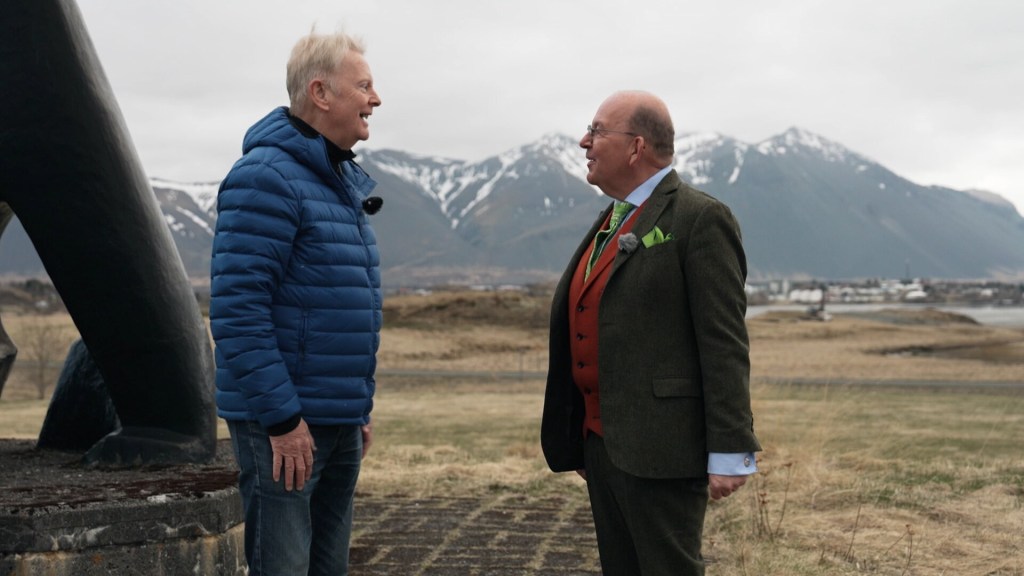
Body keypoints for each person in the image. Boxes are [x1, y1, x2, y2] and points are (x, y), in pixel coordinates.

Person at [540, 91, 761, 576]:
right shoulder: (612, 218)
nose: (584, 142)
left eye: (597, 131)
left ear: (636, 147)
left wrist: (730, 448)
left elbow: (723, 340)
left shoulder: (700, 218)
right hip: (601, 445)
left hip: (664, 448)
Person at [210, 30, 383, 576]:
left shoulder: (336, 180)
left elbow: (337, 304)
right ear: (320, 92)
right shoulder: (265, 177)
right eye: (364, 86)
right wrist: (283, 419)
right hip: (284, 425)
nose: (376, 99)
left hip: (336, 419)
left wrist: (355, 409)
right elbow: (237, 310)